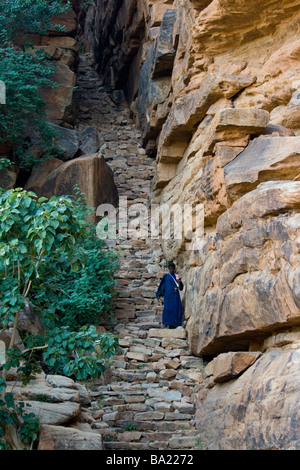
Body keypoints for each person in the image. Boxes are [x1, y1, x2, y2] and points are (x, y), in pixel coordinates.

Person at [156, 262, 184, 329]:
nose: (171, 270)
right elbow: (161, 286)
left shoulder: (177, 277)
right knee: (167, 309)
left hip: (175, 296)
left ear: (174, 269)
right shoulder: (166, 277)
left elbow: (181, 288)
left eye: (172, 269)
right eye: (170, 269)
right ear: (168, 269)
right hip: (168, 296)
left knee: (175, 309)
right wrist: (158, 293)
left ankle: (175, 324)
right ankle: (167, 324)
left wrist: (180, 283)